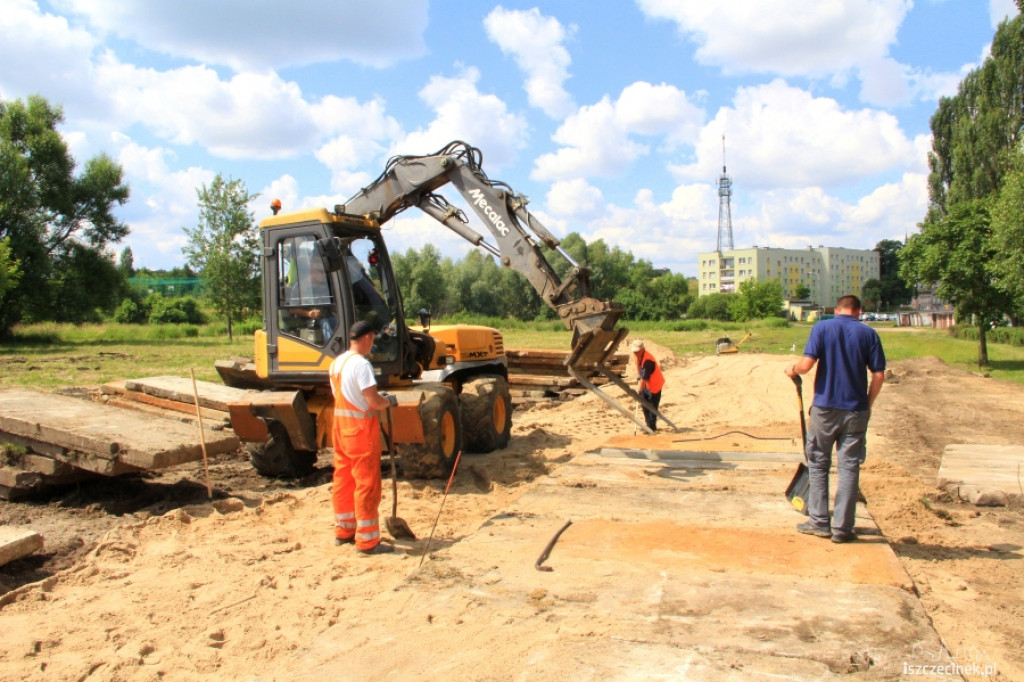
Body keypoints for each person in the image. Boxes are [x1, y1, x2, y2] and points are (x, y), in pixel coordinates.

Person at [785, 295, 885, 544]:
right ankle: (842, 528)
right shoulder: (869, 334)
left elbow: (806, 365)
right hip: (856, 411)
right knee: (849, 467)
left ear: (837, 309)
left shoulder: (822, 327)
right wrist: (868, 404)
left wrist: (793, 370)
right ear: (858, 311)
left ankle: (819, 522)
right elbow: (879, 375)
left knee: (818, 463)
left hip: (825, 410)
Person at [328, 320, 400, 555]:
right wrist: (388, 401)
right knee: (366, 484)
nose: (373, 344)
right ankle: (368, 541)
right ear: (367, 337)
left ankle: (344, 531)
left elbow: (343, 395)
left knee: (343, 480)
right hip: (360, 430)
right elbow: (373, 401)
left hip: (341, 428)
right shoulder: (362, 365)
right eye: (373, 339)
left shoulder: (337, 363)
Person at [631, 338, 665, 432]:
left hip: (654, 384)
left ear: (643, 349)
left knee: (652, 407)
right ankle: (648, 425)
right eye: (634, 352)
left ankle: (652, 428)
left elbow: (645, 378)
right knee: (644, 404)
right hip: (646, 384)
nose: (635, 353)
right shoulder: (637, 356)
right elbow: (640, 369)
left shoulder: (648, 360)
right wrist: (639, 374)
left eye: (637, 352)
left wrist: (639, 391)